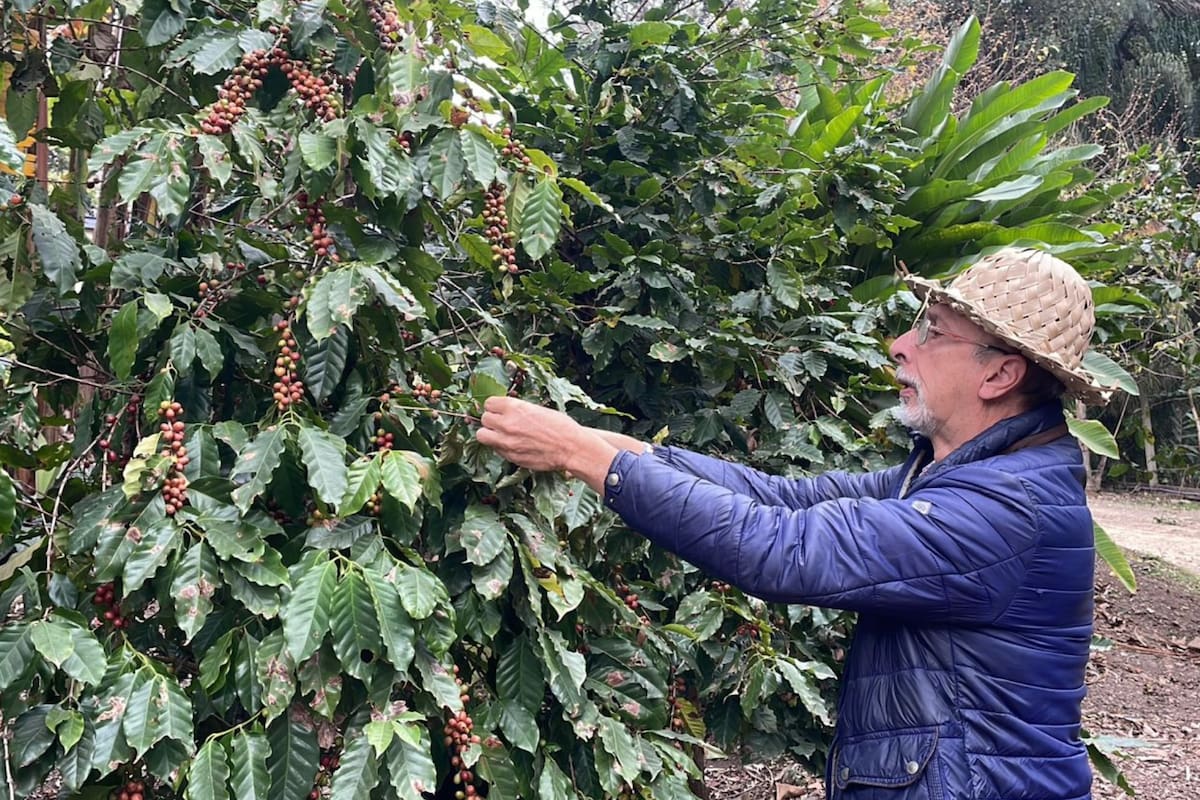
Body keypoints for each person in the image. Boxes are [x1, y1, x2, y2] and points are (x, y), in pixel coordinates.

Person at [475, 247, 1115, 800]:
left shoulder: (1002, 512)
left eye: (933, 333)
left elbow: (781, 548)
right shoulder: (957, 476)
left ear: (1000, 374)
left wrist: (578, 455)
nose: (900, 345)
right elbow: (784, 499)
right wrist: (601, 443)